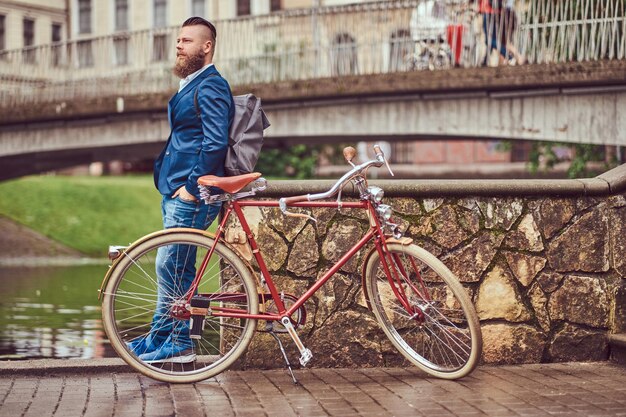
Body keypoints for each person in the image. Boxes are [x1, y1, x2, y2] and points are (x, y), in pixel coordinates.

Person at [127, 16, 235, 364]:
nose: (179, 45)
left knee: (169, 264)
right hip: (176, 191)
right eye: (178, 40)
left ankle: (180, 343)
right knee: (176, 269)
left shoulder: (212, 85)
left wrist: (191, 187)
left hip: (191, 194)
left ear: (206, 47)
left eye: (187, 41)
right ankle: (158, 338)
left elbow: (216, 142)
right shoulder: (192, 84)